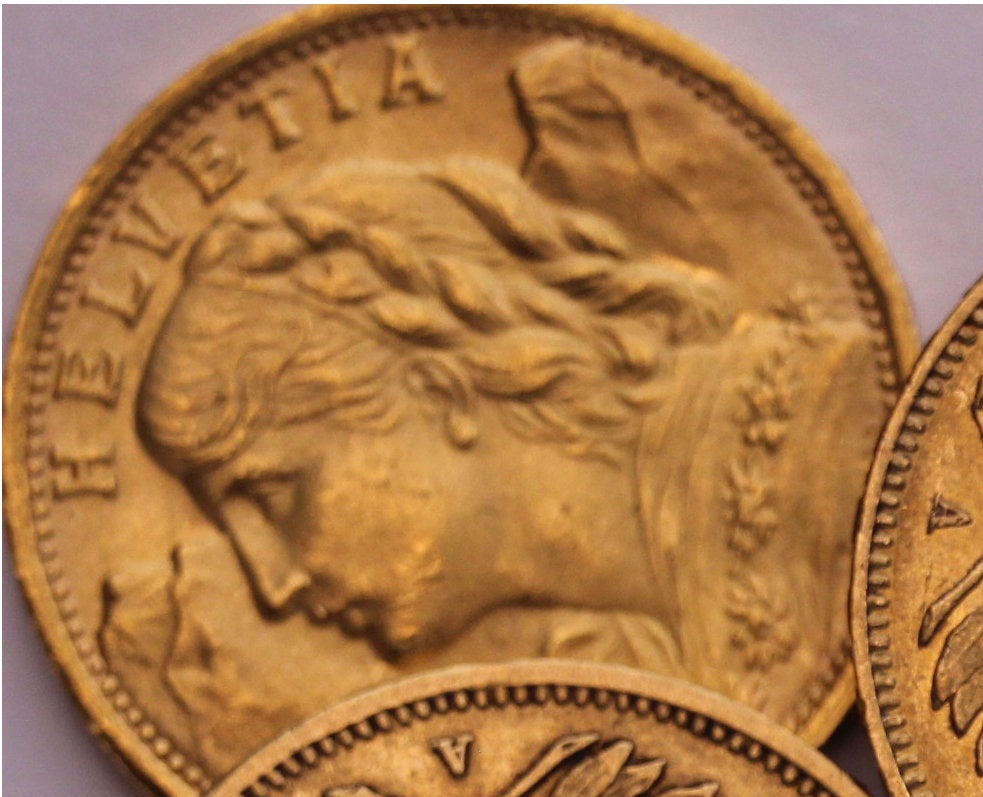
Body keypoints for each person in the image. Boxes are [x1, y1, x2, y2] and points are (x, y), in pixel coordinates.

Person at [135, 154, 880, 706]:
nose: (271, 587)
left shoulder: (830, 443)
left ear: (440, 392)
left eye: (272, 496)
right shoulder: (609, 661)